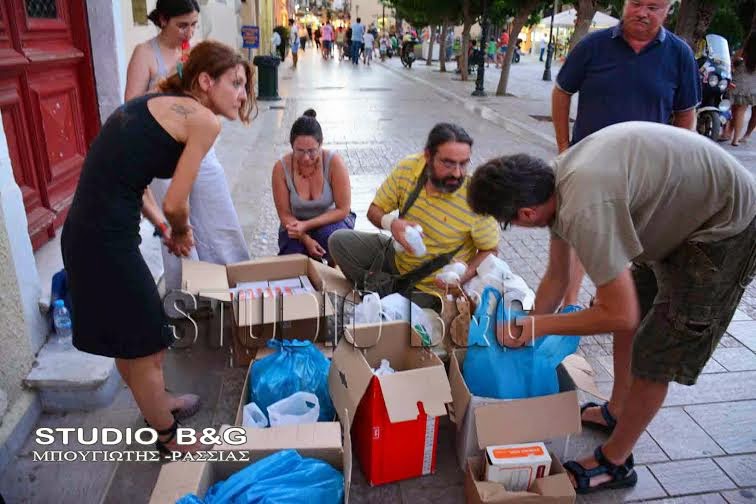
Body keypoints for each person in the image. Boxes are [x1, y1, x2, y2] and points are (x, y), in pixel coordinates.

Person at [467, 121, 756, 494]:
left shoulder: (585, 207)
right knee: (632, 308)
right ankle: (617, 409)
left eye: (507, 222)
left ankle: (615, 462)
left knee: (657, 351)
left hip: (724, 227)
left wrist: (541, 327)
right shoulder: (551, 183)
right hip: (679, 217)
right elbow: (557, 276)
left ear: (525, 214)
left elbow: (620, 312)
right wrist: (530, 322)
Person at [62, 41, 255, 455]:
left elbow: (138, 183)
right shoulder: (203, 120)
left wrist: (162, 226)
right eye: (236, 83)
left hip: (85, 235)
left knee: (127, 340)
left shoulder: (159, 102)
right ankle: (169, 440)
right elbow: (176, 200)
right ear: (205, 81)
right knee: (148, 344)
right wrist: (181, 231)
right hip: (106, 242)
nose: (243, 95)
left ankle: (158, 408)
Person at [552, 0, 700, 311]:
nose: (642, 12)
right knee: (581, 234)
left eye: (654, 7)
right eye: (636, 3)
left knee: (629, 240)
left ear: (668, 11)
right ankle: (569, 306)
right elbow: (562, 91)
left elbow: (686, 114)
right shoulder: (593, 46)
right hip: (588, 163)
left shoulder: (680, 54)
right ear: (624, 4)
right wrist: (565, 148)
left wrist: (677, 165)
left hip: (645, 170)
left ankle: (607, 300)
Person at [124, 0, 250, 292]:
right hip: (164, 154)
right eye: (182, 25)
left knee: (219, 216)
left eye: (194, 24)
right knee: (180, 234)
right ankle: (190, 298)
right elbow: (132, 109)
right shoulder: (145, 54)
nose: (189, 32)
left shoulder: (194, 52)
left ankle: (236, 284)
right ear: (163, 20)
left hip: (200, 150)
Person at [329, 123, 500, 310]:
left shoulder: (476, 197)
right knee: (338, 241)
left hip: (432, 288)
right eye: (448, 163)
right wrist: (392, 223)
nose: (457, 173)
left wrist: (462, 275)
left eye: (464, 163)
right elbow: (374, 211)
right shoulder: (409, 168)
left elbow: (490, 250)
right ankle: (383, 294)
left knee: (401, 321)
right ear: (427, 156)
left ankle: (384, 297)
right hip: (396, 258)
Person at [273, 110, 354, 263]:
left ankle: (334, 274)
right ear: (291, 146)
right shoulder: (280, 168)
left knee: (332, 240)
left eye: (311, 151)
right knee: (293, 256)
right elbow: (284, 215)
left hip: (331, 220)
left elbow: (343, 209)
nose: (306, 158)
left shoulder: (334, 163)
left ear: (321, 144)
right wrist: (305, 238)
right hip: (295, 225)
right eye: (300, 151)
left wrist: (307, 225)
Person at [730, 34, 756, 146]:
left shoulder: (742, 52)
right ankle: (741, 137)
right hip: (752, 88)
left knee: (737, 111)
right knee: (747, 112)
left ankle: (733, 137)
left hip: (740, 87)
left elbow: (732, 64)